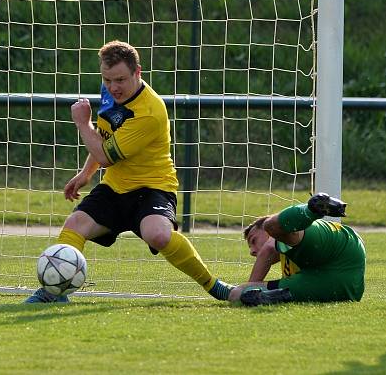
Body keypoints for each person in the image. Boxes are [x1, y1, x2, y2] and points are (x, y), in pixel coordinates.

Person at [26, 40, 233, 302]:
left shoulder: (149, 112)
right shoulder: (110, 92)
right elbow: (104, 138)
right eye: (107, 79)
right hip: (115, 186)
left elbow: (105, 155)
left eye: (120, 80)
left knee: (157, 235)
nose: (113, 87)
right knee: (74, 225)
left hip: (153, 187)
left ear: (138, 72)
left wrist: (82, 123)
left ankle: (214, 286)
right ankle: (53, 292)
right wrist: (86, 174)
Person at [228, 193, 366, 306]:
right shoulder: (288, 258)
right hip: (345, 287)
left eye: (253, 240)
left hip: (336, 248)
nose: (252, 251)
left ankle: (311, 210)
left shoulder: (276, 236)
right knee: (238, 294)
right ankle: (274, 298)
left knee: (270, 225)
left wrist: (249, 286)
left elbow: (269, 248)